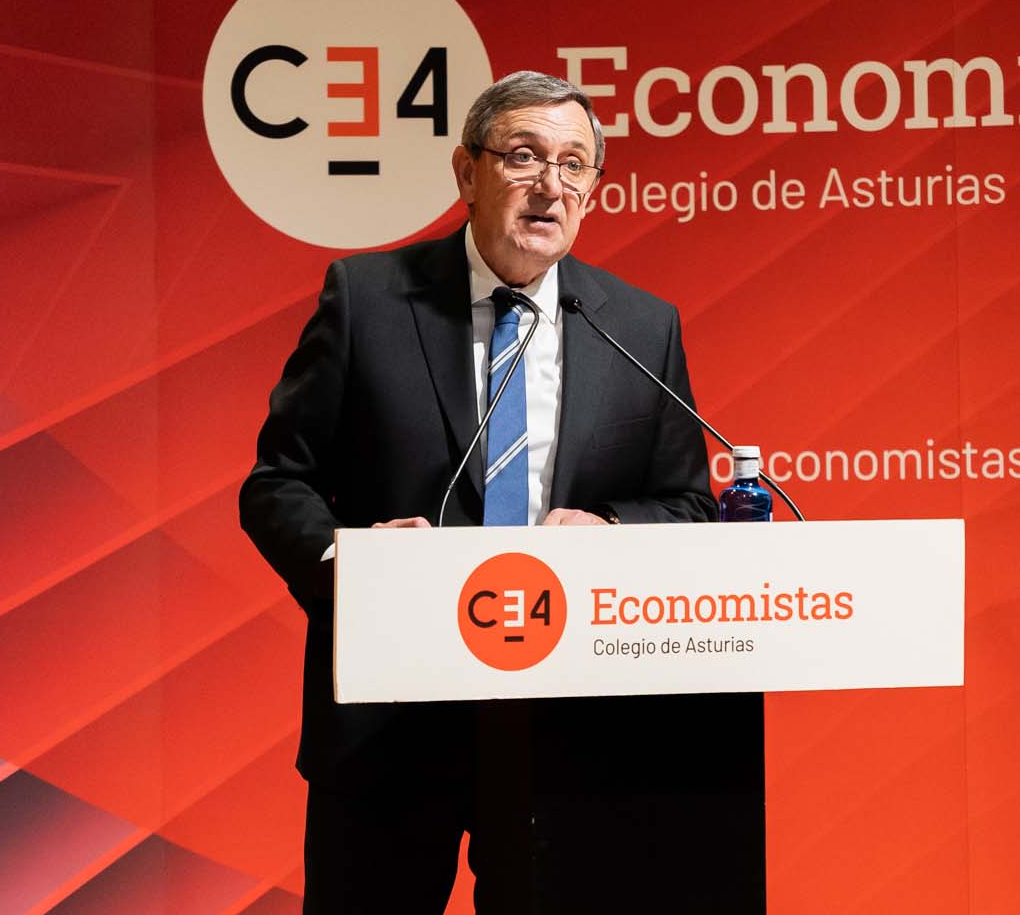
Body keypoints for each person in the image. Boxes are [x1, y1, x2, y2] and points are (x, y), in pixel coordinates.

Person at [239, 71, 763, 913]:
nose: (550, 186)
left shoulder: (638, 324)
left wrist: (608, 530)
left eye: (574, 164)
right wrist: (353, 563)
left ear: (593, 188)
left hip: (567, 728)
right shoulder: (368, 300)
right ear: (467, 172)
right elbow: (278, 482)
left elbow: (686, 503)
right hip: (391, 717)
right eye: (523, 156)